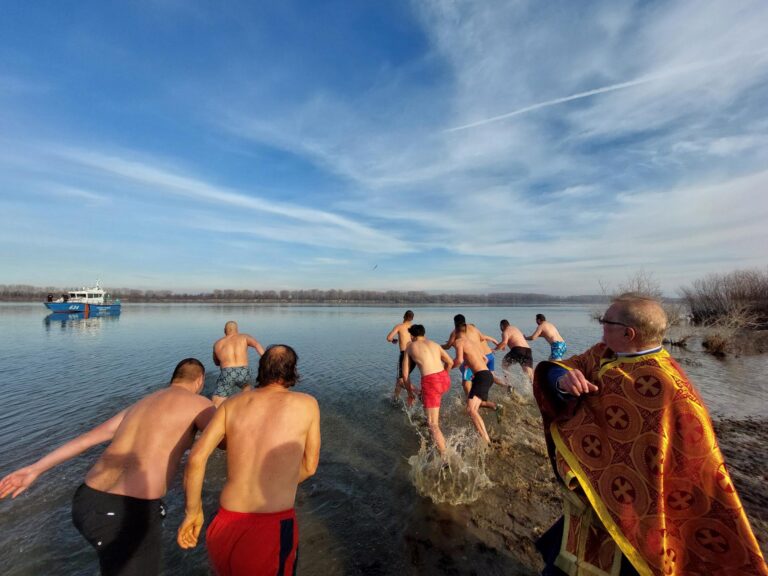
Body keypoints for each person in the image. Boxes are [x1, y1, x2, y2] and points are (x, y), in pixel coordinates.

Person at [533, 295, 767, 575]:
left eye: (606, 322)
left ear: (628, 333)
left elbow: (691, 459)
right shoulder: (604, 352)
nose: (601, 326)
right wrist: (562, 380)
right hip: (595, 487)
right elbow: (568, 367)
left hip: (640, 504)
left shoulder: (669, 387)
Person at [0, 359, 215, 576]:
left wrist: (35, 469)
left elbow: (86, 439)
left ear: (174, 378)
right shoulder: (200, 404)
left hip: (86, 502)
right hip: (127, 511)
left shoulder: (139, 405)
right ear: (200, 380)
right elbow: (224, 438)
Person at [177, 345, 321, 576]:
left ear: (261, 369)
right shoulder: (307, 404)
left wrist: (192, 512)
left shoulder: (232, 403)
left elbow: (196, 457)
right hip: (271, 529)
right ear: (293, 372)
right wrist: (279, 482)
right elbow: (310, 467)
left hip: (224, 524)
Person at [402, 324, 454, 455]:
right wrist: (443, 376)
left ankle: (445, 458)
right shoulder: (434, 344)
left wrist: (409, 393)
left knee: (433, 424)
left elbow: (405, 375)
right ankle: (431, 428)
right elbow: (450, 362)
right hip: (444, 378)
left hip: (431, 382)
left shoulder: (410, 347)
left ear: (412, 336)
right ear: (423, 334)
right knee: (424, 397)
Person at [452, 323, 500, 444]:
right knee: (473, 407)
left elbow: (459, 360)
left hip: (481, 377)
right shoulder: (473, 344)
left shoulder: (459, 342)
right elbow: (485, 359)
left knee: (471, 410)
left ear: (456, 331)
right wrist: (475, 370)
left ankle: (486, 441)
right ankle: (496, 407)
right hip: (486, 375)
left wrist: (445, 368)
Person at [444, 314, 505, 407]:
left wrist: (438, 348)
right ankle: (505, 386)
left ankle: (469, 400)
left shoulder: (456, 332)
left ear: (455, 323)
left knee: (466, 382)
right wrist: (496, 344)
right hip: (485, 356)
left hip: (472, 358)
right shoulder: (473, 328)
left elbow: (448, 346)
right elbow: (483, 338)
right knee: (489, 376)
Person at [212, 320, 265, 407]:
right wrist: (265, 359)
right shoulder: (244, 337)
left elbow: (216, 363)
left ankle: (215, 412)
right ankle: (246, 407)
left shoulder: (217, 343)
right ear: (237, 329)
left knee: (217, 400)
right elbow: (257, 345)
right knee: (246, 391)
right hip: (243, 371)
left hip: (227, 373)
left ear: (224, 330)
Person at [386, 310, 415, 403]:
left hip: (404, 354)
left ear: (404, 316)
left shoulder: (399, 326)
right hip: (414, 355)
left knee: (401, 380)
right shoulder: (414, 328)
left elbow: (389, 338)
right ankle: (396, 398)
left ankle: (417, 393)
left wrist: (393, 340)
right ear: (412, 318)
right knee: (403, 378)